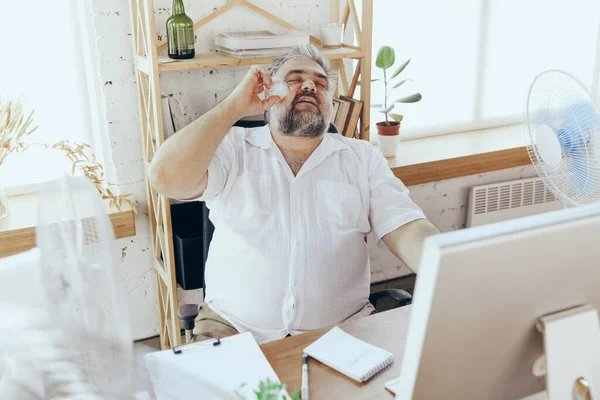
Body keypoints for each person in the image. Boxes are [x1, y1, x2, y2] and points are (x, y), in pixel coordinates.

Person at [149, 44, 440, 344]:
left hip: (342, 329)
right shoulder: (233, 148)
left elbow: (407, 228)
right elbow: (164, 177)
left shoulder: (362, 158)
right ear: (267, 93)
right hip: (232, 326)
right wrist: (233, 107)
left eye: (321, 83)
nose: (310, 85)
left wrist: (448, 271)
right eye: (294, 79)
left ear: (329, 103)